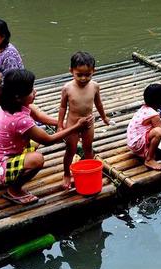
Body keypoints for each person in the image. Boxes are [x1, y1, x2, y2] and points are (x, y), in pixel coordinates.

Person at [0, 69, 93, 205]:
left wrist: (63, 124)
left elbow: (39, 116)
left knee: (33, 143)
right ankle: (14, 190)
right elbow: (48, 140)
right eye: (30, 91)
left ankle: (16, 174)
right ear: (18, 96)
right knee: (37, 159)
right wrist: (76, 127)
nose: (35, 92)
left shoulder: (12, 104)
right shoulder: (20, 120)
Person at [58, 51, 111, 189]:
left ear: (94, 71)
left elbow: (98, 103)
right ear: (71, 71)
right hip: (72, 124)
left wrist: (104, 116)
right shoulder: (67, 88)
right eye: (79, 74)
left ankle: (88, 170)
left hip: (88, 123)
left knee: (88, 148)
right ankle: (66, 173)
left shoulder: (94, 86)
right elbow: (63, 107)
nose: (83, 78)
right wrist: (59, 125)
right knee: (71, 150)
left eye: (88, 74)